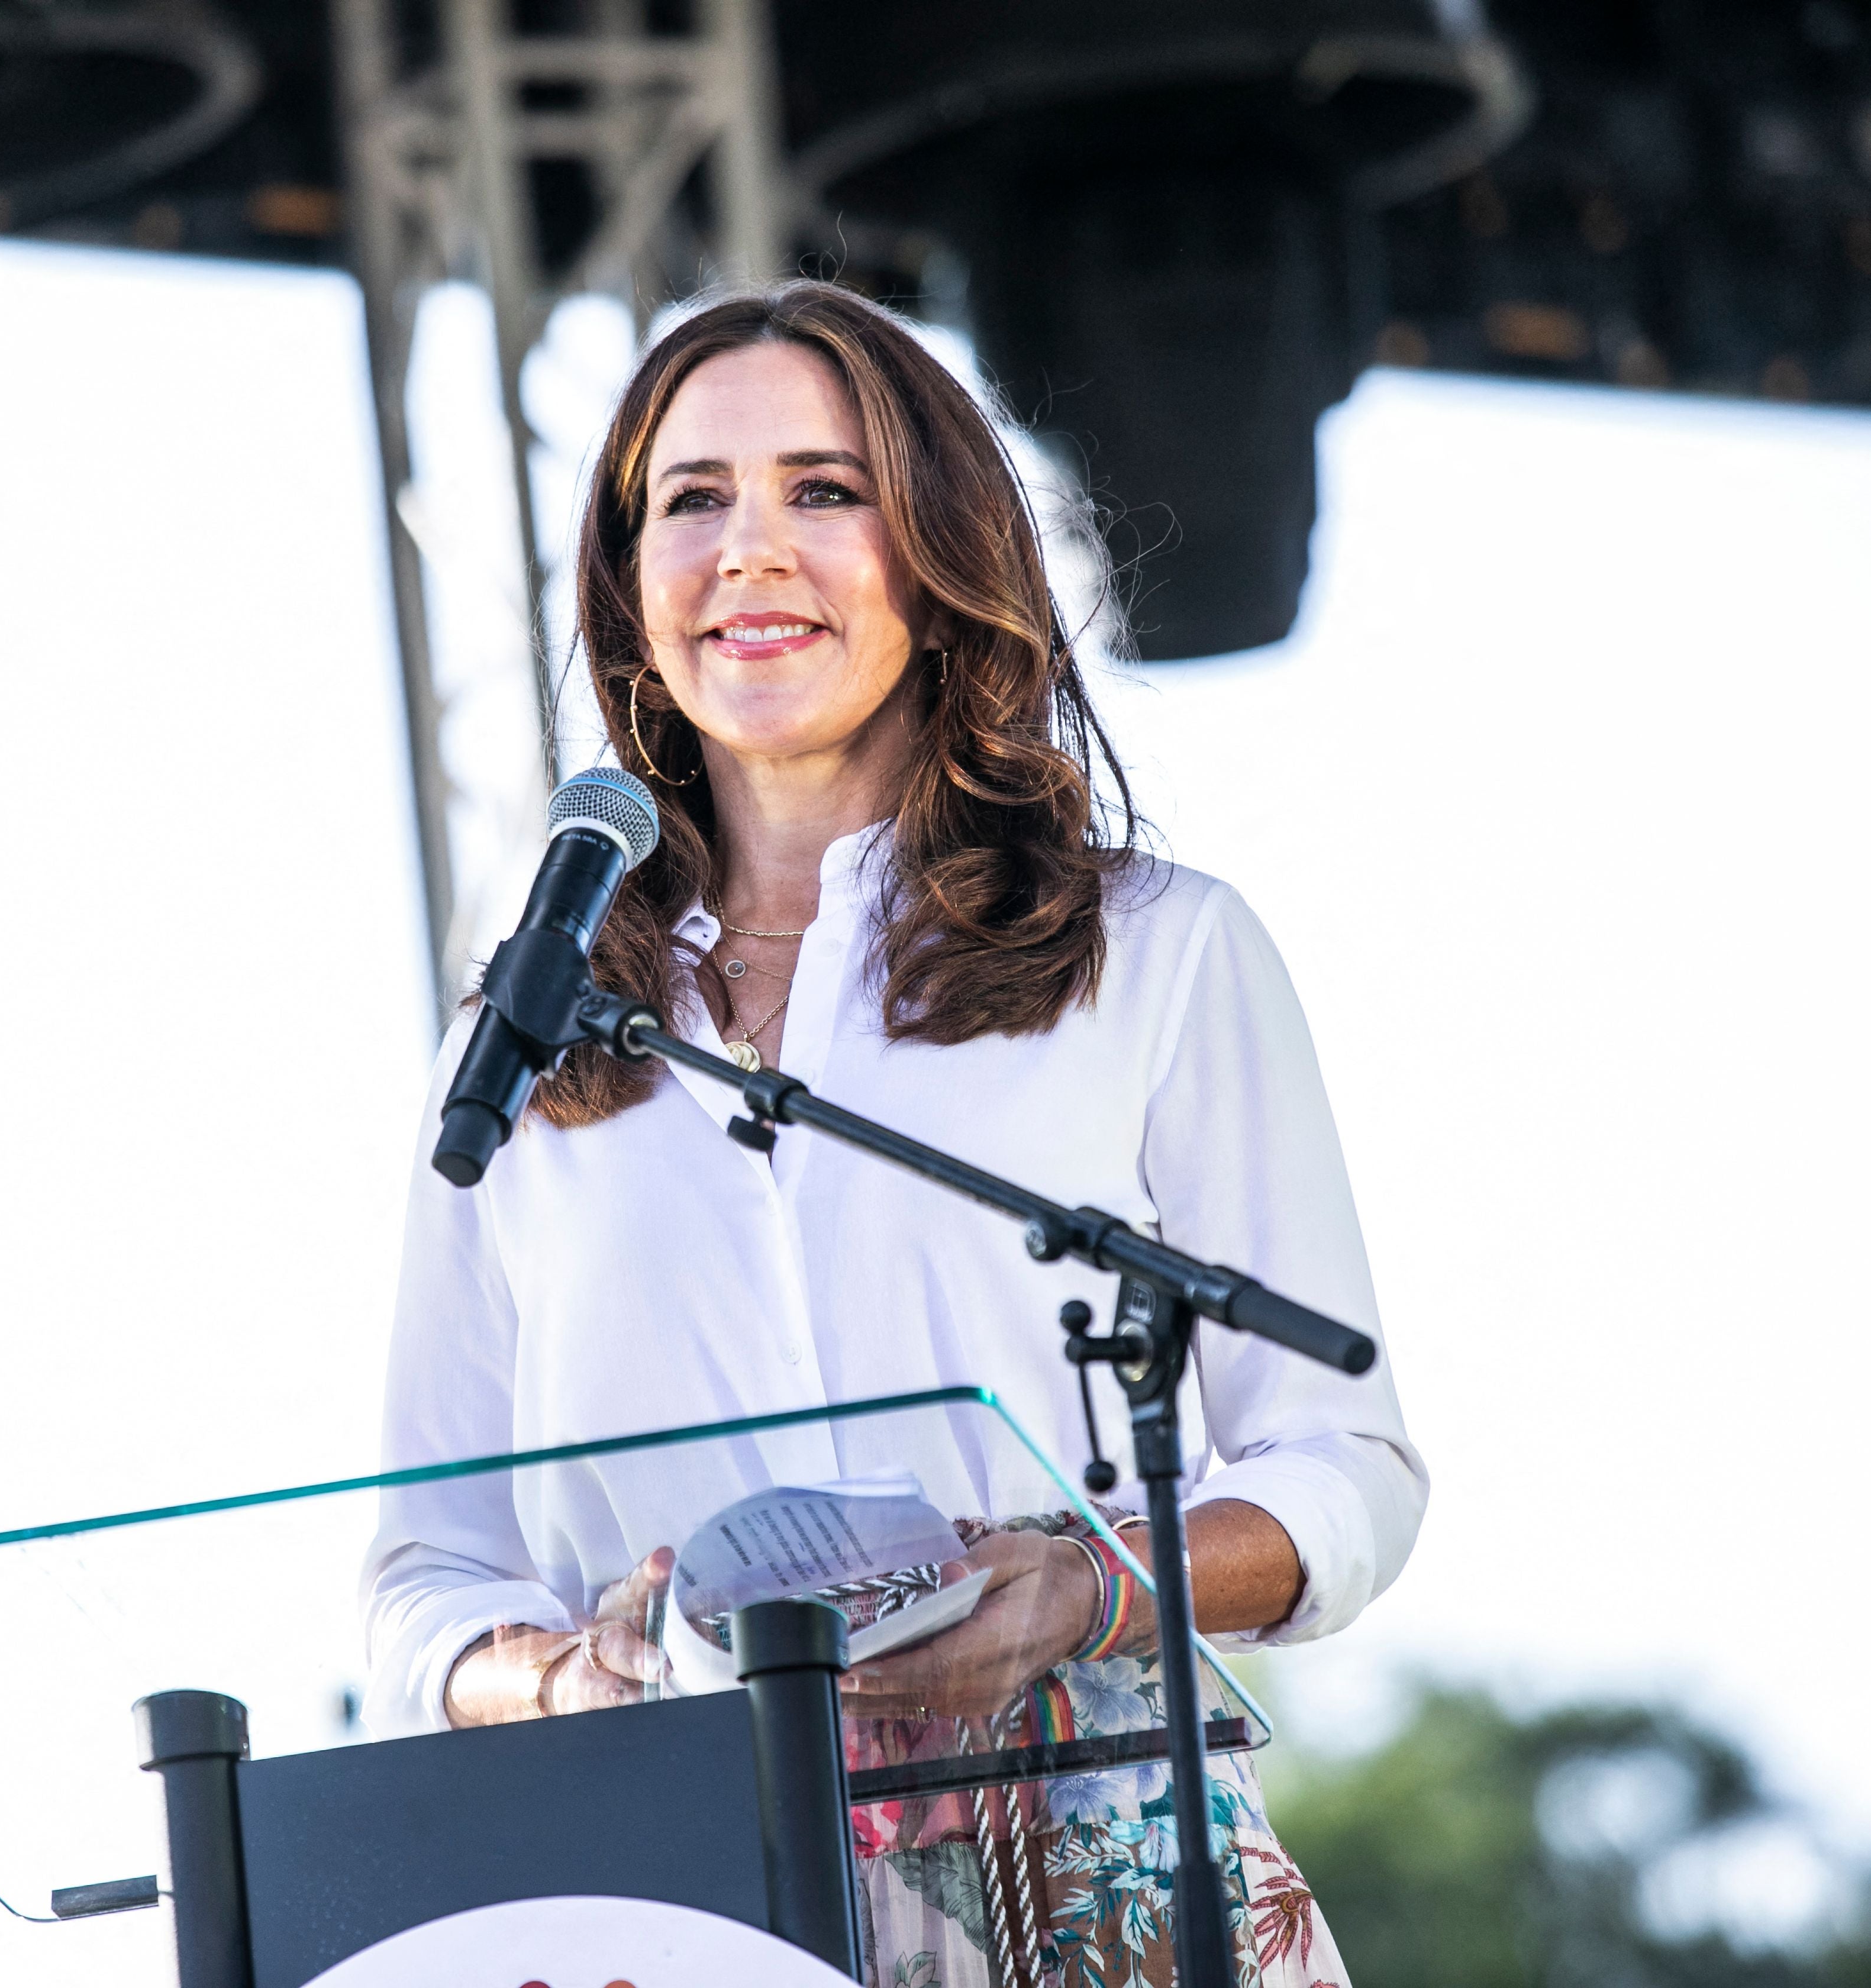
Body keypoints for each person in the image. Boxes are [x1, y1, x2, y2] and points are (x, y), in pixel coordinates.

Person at [364, 280, 1422, 1988]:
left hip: (1081, 1845)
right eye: (691, 500)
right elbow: (426, 1576)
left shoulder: (1155, 953)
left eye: (824, 491)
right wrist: (558, 1678)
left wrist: (1088, 1587)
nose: (750, 550)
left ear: (939, 562)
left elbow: (1342, 1474)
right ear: (632, 596)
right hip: (679, 1886)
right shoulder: (522, 1046)